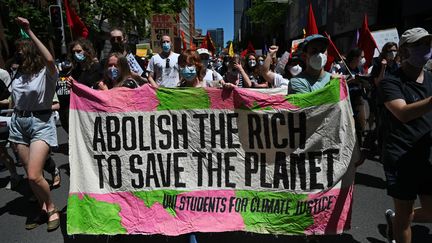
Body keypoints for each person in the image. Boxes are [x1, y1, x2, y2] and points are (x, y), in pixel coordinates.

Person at [379, 27, 432, 243]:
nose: (425, 49)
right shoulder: (390, 82)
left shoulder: (430, 78)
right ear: (404, 50)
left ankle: (398, 221)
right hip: (401, 157)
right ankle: (399, 223)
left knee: (429, 213)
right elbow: (402, 113)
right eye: (419, 45)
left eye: (428, 44)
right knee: (404, 217)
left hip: (427, 155)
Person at [9, 17, 60, 231]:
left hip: (40, 122)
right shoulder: (16, 74)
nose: (17, 55)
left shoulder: (46, 74)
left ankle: (52, 207)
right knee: (31, 178)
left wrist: (29, 31)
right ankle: (43, 208)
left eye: (21, 51)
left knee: (33, 174)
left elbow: (49, 59)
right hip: (18, 123)